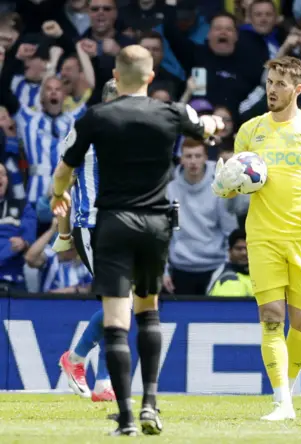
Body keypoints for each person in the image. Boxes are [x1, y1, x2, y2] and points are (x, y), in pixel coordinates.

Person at [50, 45, 223, 436]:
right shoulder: (171, 113)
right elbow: (207, 128)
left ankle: (125, 418)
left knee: (116, 320)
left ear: (116, 73)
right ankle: (150, 405)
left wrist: (59, 196)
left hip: (112, 223)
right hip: (155, 224)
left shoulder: (95, 118)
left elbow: (64, 172)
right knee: (148, 313)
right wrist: (212, 123)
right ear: (150, 77)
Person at [213, 56, 301, 421]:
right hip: (263, 237)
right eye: (270, 82)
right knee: (271, 318)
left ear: (297, 89)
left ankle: (286, 389)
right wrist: (224, 186)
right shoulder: (251, 130)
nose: (272, 89)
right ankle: (281, 400)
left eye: (280, 84)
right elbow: (235, 180)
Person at [56, 79, 119, 403]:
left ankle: (102, 381)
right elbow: (61, 183)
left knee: (120, 303)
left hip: (122, 225)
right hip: (91, 224)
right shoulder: (83, 131)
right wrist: (64, 233)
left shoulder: (133, 135)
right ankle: (79, 360)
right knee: (118, 300)